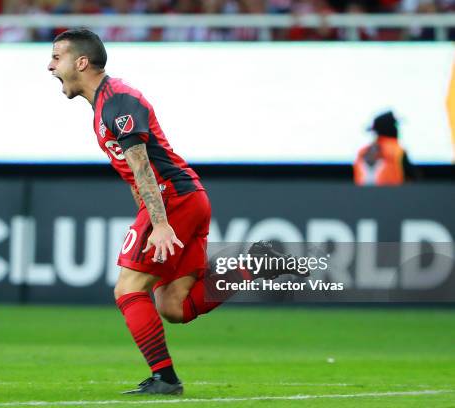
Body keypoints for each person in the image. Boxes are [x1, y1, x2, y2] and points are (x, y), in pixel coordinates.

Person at [47, 29, 300, 395]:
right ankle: (255, 263)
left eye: (57, 57)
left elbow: (144, 168)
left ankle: (165, 379)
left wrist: (160, 223)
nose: (50, 66)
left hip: (173, 199)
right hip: (185, 198)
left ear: (81, 62)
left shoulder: (118, 102)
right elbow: (135, 176)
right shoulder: (104, 105)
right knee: (174, 307)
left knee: (128, 289)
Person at [354, 111, 418, 186]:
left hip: (361, 196)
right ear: (390, 128)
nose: (397, 129)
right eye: (395, 125)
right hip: (391, 195)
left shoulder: (362, 151)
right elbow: (414, 178)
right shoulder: (397, 151)